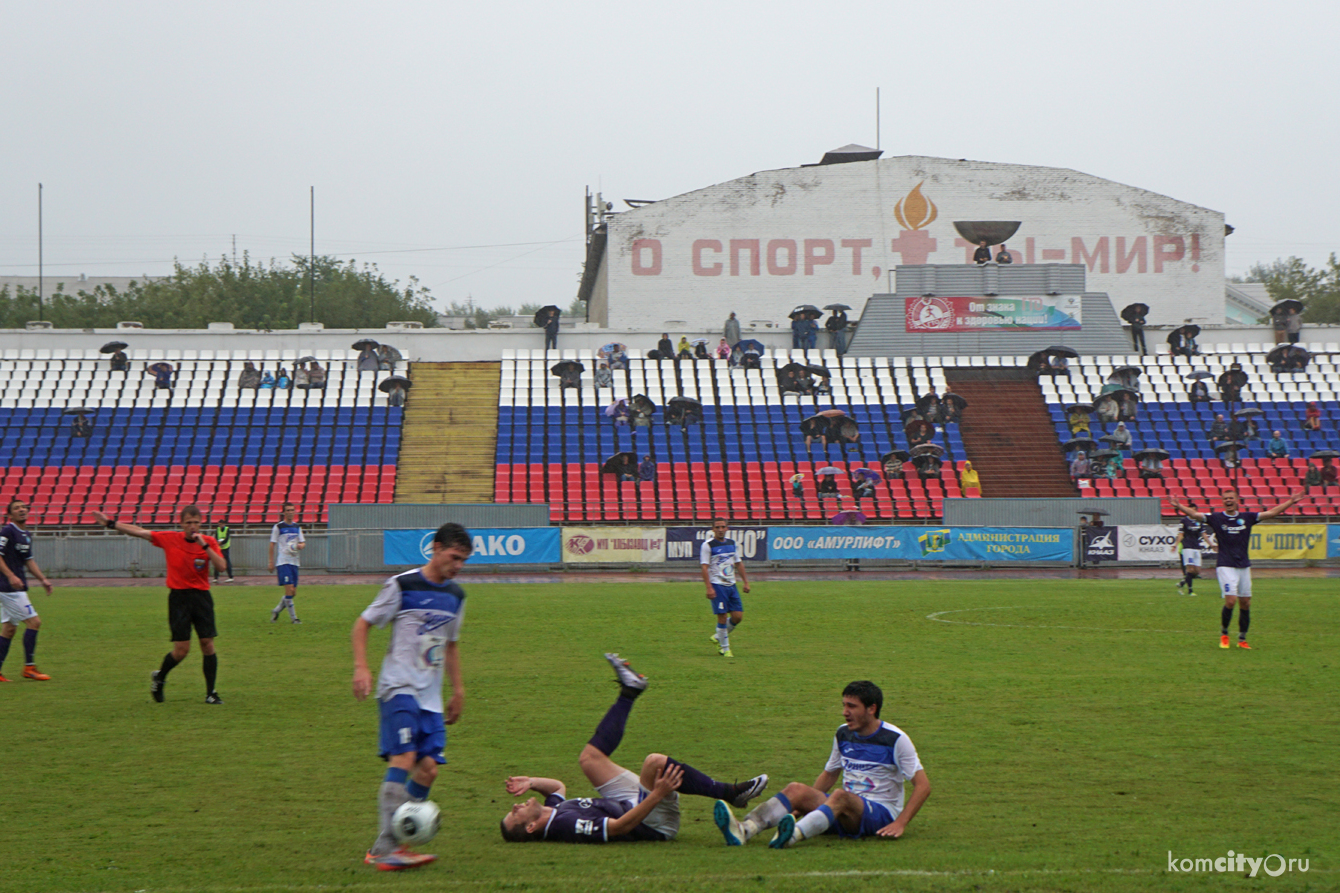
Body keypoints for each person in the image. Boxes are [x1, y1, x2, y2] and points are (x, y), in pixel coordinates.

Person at [500, 653, 769, 844]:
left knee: (589, 759)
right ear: (532, 826)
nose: (513, 807)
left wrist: (533, 781)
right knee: (654, 763)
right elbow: (619, 828)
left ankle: (629, 691)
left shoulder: (550, 813)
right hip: (650, 822)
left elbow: (558, 787)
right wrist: (658, 793)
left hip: (627, 802)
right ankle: (730, 793)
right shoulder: (566, 826)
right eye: (515, 815)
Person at [351, 522, 472, 871]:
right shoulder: (402, 585)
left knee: (429, 770)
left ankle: (399, 841)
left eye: (463, 560)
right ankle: (384, 847)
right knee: (403, 758)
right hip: (398, 687)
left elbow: (451, 645)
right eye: (454, 557)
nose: (458, 565)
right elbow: (362, 624)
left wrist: (458, 690)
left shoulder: (456, 596)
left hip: (430, 698)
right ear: (435, 548)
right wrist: (362, 667)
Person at [715, 680, 930, 848]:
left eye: (852, 706)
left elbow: (923, 786)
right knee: (796, 789)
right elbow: (829, 774)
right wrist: (802, 802)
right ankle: (744, 830)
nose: (845, 712)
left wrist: (900, 822)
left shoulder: (896, 739)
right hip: (841, 809)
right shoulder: (843, 733)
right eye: (844, 705)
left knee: (840, 796)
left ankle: (792, 835)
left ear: (871, 709)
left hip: (880, 813)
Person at [91, 505, 227, 703]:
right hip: (179, 598)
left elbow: (221, 567)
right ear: (181, 523)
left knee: (207, 644)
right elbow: (140, 532)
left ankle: (211, 693)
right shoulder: (170, 539)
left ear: (201, 523)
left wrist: (203, 545)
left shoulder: (209, 542)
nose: (192, 527)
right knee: (182, 650)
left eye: (196, 522)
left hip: (202, 597)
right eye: (188, 523)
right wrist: (111, 523)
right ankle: (160, 676)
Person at [1169, 489, 1305, 649]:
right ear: (1222, 501)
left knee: (1245, 603)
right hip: (1225, 565)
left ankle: (1242, 639)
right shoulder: (1217, 518)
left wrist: (1291, 501)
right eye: (1225, 498)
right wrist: (1179, 506)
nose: (1228, 500)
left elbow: (1271, 513)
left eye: (1231, 498)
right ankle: (1224, 634)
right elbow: (1196, 516)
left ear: (1236, 500)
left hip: (1244, 566)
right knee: (1231, 600)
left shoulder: (1247, 517)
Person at [0, 499, 55, 682]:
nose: (21, 509)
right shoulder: (8, 531)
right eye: (16, 508)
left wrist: (43, 579)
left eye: (23, 507)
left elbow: (28, 561)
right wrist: (10, 575)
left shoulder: (26, 534)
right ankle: (29, 668)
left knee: (8, 630)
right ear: (10, 515)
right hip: (9, 588)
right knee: (34, 622)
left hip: (16, 587)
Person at [701, 518, 752, 659]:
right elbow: (704, 567)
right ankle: (725, 649)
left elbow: (738, 563)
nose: (720, 529)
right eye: (717, 527)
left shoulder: (731, 543)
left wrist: (746, 582)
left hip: (731, 585)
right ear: (713, 529)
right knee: (722, 616)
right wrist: (709, 587)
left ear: (727, 528)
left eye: (723, 526)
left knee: (737, 616)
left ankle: (718, 636)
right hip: (718, 585)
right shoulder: (708, 545)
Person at [268, 503, 307, 623]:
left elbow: (303, 542)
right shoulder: (278, 527)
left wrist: (300, 545)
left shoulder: (297, 527)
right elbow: (272, 544)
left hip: (294, 562)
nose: (290, 512)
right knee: (289, 589)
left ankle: (276, 610)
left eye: (292, 510)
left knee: (293, 592)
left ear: (295, 512)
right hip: (283, 562)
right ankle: (294, 619)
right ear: (284, 512)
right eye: (288, 510)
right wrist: (271, 562)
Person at [1174, 507, 1207, 596]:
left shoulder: (1199, 521)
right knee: (1190, 569)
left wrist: (1211, 544)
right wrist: (1176, 544)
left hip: (1196, 547)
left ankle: (1182, 584)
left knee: (1197, 571)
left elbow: (1204, 534)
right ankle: (1190, 591)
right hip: (1187, 547)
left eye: (1193, 510)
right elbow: (1181, 534)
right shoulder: (1184, 521)